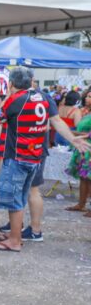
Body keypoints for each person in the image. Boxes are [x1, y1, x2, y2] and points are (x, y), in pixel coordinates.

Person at [0, 68, 89, 252]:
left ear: (11, 84)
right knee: (24, 195)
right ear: (32, 81)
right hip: (35, 156)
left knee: (14, 200)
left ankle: (15, 240)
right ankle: (17, 233)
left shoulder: (15, 99)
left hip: (17, 155)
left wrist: (7, 100)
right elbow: (57, 121)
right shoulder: (44, 97)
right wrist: (72, 138)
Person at [65, 87, 91, 216]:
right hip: (83, 148)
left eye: (90, 97)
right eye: (87, 96)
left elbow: (88, 134)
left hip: (88, 148)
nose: (87, 98)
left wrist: (74, 133)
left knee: (89, 178)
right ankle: (81, 204)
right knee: (83, 177)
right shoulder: (86, 113)